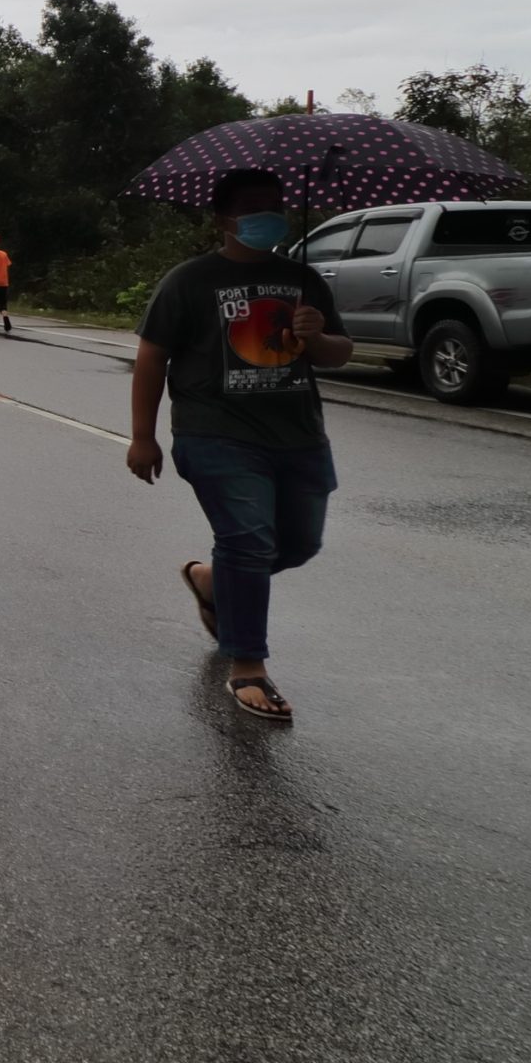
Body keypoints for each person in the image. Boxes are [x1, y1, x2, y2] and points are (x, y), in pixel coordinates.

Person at [125, 168, 352, 722]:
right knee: (249, 542)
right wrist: (142, 437)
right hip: (214, 432)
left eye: (274, 205)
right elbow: (152, 358)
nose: (266, 216)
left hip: (298, 435)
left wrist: (314, 335)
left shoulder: (304, 281)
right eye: (252, 207)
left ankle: (208, 581)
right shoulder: (189, 281)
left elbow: (338, 353)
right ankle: (247, 665)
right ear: (223, 218)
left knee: (298, 543)